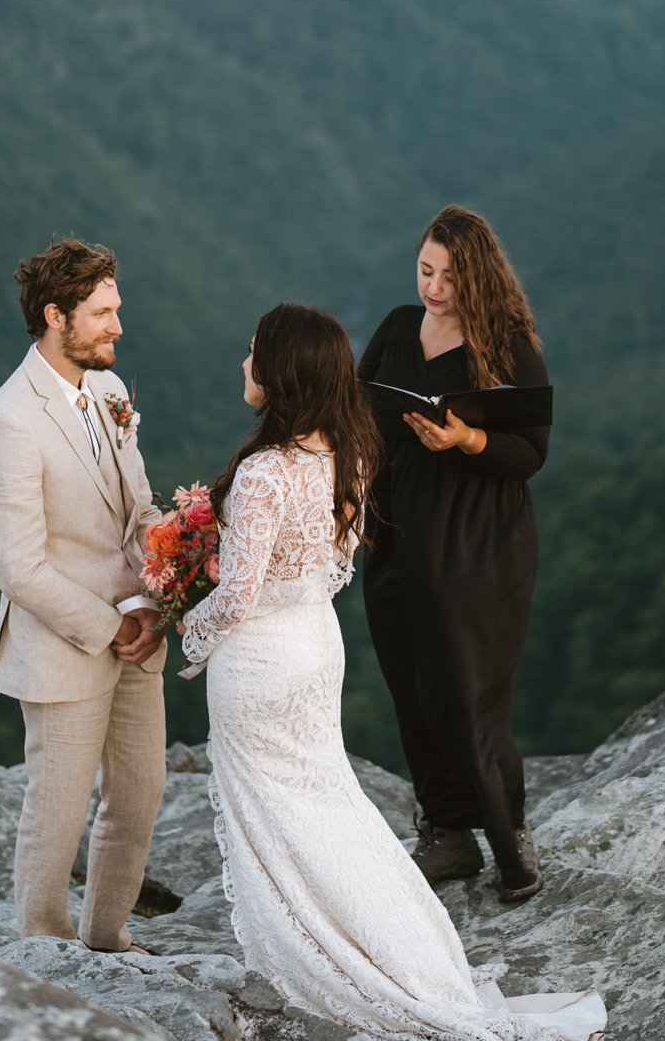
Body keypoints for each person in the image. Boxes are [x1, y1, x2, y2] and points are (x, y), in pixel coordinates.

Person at [178, 304, 603, 1040]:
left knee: (282, 818)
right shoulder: (348, 455)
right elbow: (334, 566)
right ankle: (405, 951)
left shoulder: (261, 473)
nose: (242, 362)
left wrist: (185, 631)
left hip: (264, 664)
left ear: (281, 372)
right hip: (317, 644)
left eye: (252, 353)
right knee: (331, 807)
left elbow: (239, 595)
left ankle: (332, 957)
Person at [0, 237, 168, 953]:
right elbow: (17, 569)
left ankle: (109, 938)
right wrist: (108, 626)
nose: (118, 325)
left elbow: (138, 508)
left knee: (141, 796)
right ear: (56, 316)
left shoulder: (110, 393)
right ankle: (44, 955)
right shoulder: (8, 420)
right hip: (66, 644)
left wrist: (165, 577)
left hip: (139, 629)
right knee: (55, 811)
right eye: (103, 312)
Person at [358, 205, 550, 899]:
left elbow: (532, 452)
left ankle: (510, 838)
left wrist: (466, 439)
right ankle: (447, 835)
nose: (434, 289)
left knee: (470, 691)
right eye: (425, 271)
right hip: (396, 531)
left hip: (478, 540)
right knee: (412, 685)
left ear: (479, 275)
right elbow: (358, 412)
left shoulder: (509, 344)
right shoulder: (395, 329)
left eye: (449, 276)